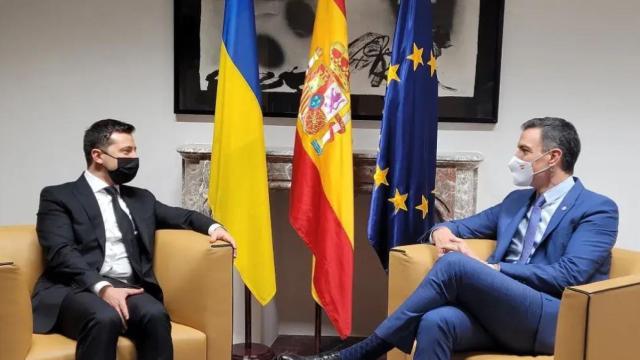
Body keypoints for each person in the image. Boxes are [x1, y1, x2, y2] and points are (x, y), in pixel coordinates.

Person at [280, 117, 618, 360]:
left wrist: (494, 271)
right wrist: (441, 231)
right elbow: (455, 225)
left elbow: (569, 275)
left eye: (524, 150)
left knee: (457, 265)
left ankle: (362, 352)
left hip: (550, 319)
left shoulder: (597, 209)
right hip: (502, 315)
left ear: (553, 157)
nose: (516, 159)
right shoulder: (516, 203)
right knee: (436, 321)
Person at [32, 119, 236, 360]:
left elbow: (184, 217)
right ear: (98, 155)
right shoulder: (59, 196)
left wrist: (215, 227)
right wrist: (103, 288)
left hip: (128, 288)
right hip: (76, 288)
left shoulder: (141, 199)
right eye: (126, 151)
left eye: (135, 150)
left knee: (155, 314)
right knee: (104, 317)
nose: (134, 157)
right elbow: (61, 252)